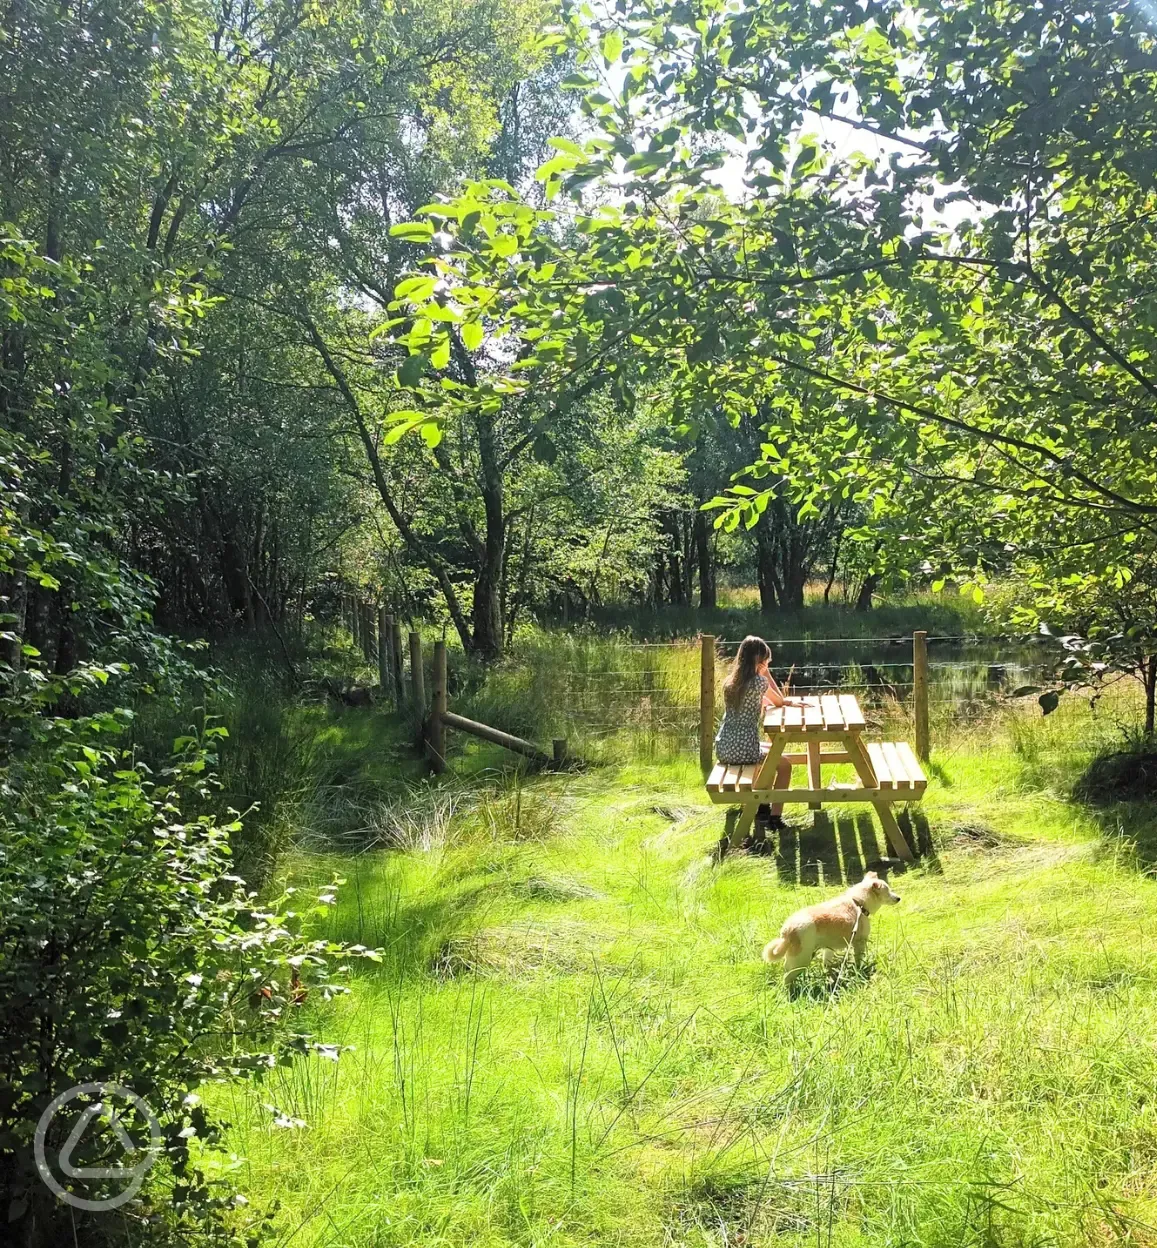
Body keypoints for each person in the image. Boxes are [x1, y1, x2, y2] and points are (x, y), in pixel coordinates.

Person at [715, 635, 798, 845]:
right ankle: (774, 817)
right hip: (744, 748)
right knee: (784, 765)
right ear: (758, 661)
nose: (767, 666)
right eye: (766, 662)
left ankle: (762, 808)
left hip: (725, 744)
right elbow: (778, 700)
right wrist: (766, 673)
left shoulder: (729, 683)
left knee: (774, 753)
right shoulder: (759, 683)